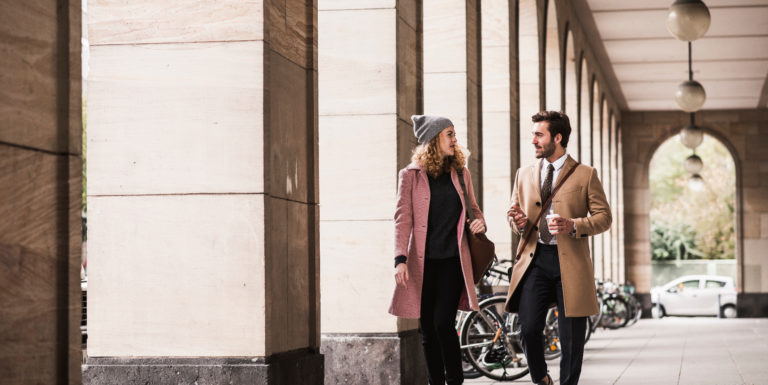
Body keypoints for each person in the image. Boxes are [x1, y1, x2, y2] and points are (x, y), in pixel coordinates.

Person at [505, 111, 611, 385]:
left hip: (571, 265)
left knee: (571, 339)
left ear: (558, 137)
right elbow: (514, 213)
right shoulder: (524, 174)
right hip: (535, 260)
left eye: (539, 135)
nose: (533, 141)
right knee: (527, 328)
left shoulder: (586, 175)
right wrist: (518, 221)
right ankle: (541, 377)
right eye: (533, 135)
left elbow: (604, 217)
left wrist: (573, 225)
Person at [389, 115, 486, 385]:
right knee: (428, 329)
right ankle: (436, 382)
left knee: (443, 323)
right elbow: (402, 218)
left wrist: (480, 223)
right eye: (450, 134)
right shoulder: (410, 176)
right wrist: (400, 259)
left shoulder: (461, 173)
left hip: (454, 260)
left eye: (454, 134)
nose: (455, 140)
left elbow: (474, 210)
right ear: (433, 140)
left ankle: (455, 380)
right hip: (423, 262)